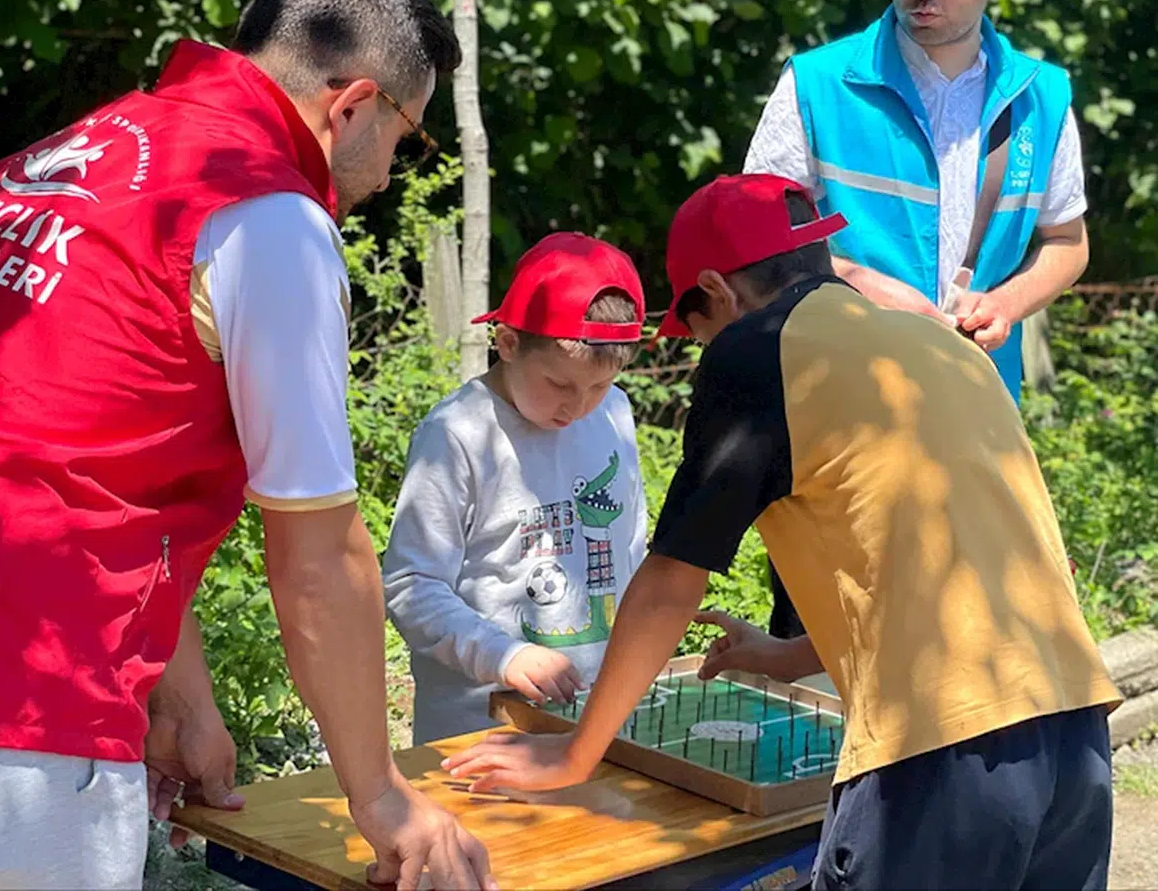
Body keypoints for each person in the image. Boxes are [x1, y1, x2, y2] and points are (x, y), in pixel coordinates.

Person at [0, 0, 494, 891]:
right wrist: (382, 797)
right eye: (406, 139)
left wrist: (180, 702)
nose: (385, 177)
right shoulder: (265, 212)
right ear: (355, 104)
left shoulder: (49, 167)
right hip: (7, 744)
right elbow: (317, 554)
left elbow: (90, 465)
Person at [443, 174, 1121, 890]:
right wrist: (789, 654)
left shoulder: (758, 350)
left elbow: (673, 578)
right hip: (1075, 739)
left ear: (718, 291)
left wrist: (575, 753)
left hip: (940, 763)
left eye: (696, 324)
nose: (705, 344)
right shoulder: (938, 348)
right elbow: (966, 563)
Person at [744, 0, 1089, 404]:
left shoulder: (1041, 96)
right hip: (835, 396)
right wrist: (856, 283)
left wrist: (1006, 305)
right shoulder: (817, 83)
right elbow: (752, 241)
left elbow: (1069, 244)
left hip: (977, 400)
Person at [383, 233, 649, 745]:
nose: (578, 407)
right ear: (507, 344)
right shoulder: (457, 433)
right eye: (560, 385)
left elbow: (631, 550)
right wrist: (504, 656)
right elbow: (411, 585)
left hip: (598, 720)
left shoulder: (615, 413)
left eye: (598, 386)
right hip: (477, 729)